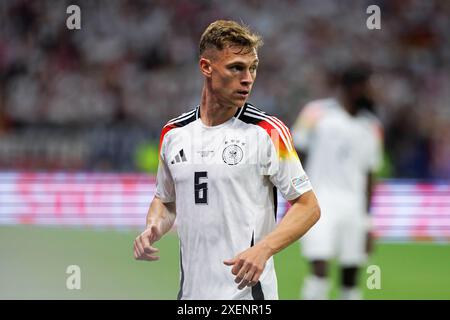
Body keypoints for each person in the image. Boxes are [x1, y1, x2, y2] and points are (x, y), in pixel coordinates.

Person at [133, 20, 320, 300]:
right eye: (236, 67)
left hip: (248, 298)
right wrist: (153, 227)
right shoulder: (174, 134)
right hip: (191, 296)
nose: (248, 78)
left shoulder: (268, 132)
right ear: (206, 67)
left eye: (253, 68)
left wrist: (264, 249)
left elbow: (308, 206)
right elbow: (166, 200)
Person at [291, 64, 384, 300]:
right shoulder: (316, 113)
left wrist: (368, 219)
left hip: (354, 208)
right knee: (319, 270)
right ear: (354, 87)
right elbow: (295, 155)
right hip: (319, 204)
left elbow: (370, 173)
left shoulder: (371, 126)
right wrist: (295, 199)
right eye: (369, 87)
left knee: (351, 277)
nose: (374, 93)